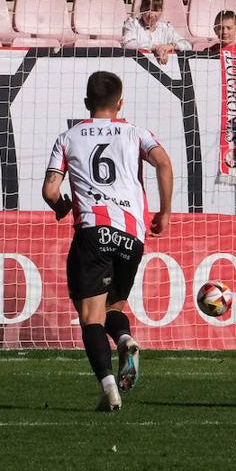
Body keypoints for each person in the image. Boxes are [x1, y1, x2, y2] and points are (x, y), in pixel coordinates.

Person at [42, 71, 174, 411]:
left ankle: (108, 388)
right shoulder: (136, 133)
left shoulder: (68, 138)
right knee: (114, 307)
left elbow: (51, 190)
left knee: (91, 318)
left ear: (87, 103)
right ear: (120, 103)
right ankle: (125, 339)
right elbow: (164, 163)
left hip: (93, 232)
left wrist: (61, 207)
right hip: (132, 234)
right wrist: (165, 212)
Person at [121, 0, 192, 63]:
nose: (151, 15)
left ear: (161, 11)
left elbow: (187, 45)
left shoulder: (165, 28)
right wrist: (154, 47)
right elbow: (128, 43)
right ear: (141, 10)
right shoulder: (132, 24)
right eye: (148, 9)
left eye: (155, 10)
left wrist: (170, 46)